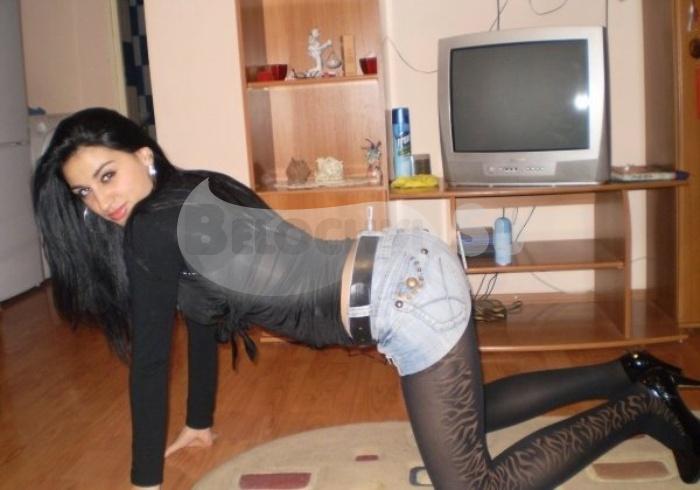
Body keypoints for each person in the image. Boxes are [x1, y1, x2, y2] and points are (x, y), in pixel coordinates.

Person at [32, 107, 700, 490]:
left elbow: (151, 362)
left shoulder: (151, 228)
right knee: (468, 410)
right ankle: (629, 370)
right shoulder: (190, 191)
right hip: (406, 269)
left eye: (108, 175)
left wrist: (144, 482)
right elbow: (202, 318)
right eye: (85, 192)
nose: (103, 200)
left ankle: (643, 407)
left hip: (403, 295)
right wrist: (200, 421)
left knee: (471, 484)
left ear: (143, 156)